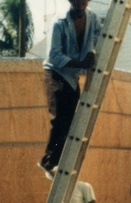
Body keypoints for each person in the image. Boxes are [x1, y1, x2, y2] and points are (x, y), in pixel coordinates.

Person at [40, 0, 100, 174]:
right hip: (55, 73)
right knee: (59, 119)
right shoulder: (59, 22)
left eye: (83, 0)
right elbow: (53, 55)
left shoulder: (93, 18)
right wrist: (79, 63)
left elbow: (96, 37)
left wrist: (90, 53)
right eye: (76, 0)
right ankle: (48, 162)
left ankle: (59, 161)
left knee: (71, 121)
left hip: (72, 76)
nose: (80, 3)